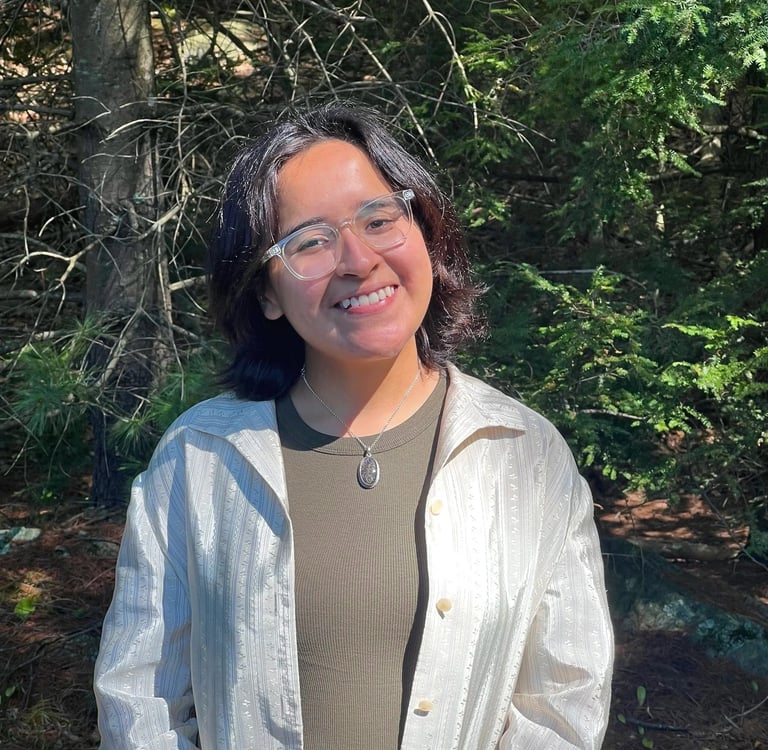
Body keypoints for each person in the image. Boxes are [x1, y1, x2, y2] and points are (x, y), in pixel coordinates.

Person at [94, 101, 614, 750]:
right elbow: (141, 704)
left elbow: (562, 706)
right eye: (309, 240)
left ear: (422, 230)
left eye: (379, 217)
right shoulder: (198, 462)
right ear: (265, 294)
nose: (357, 259)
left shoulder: (526, 456)